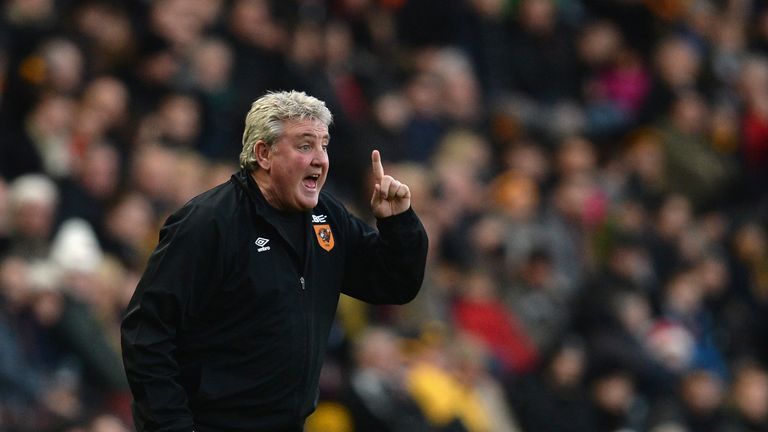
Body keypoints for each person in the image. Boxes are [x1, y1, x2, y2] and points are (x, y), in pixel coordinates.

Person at [120, 91, 428, 432]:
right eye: (305, 145)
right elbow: (146, 333)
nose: (320, 159)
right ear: (263, 154)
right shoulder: (208, 223)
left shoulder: (327, 217)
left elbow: (394, 284)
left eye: (324, 146)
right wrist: (172, 426)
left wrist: (398, 223)